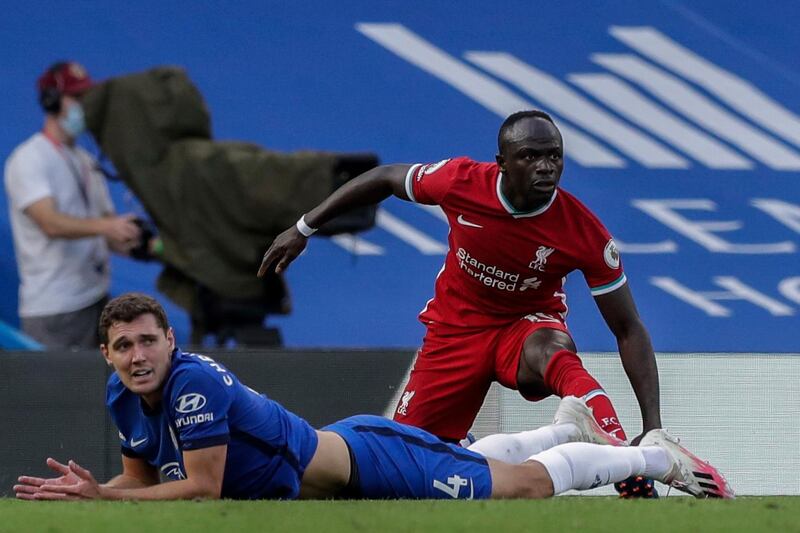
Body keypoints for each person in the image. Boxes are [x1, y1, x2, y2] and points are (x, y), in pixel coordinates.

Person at [258, 110, 661, 496]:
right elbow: (384, 177)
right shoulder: (460, 181)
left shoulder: (583, 231)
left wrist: (653, 425)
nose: (545, 166)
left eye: (554, 155)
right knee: (402, 469)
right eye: (530, 156)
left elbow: (628, 328)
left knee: (552, 351)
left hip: (524, 327)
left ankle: (627, 455)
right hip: (455, 331)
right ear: (502, 162)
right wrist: (304, 227)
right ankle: (480, 445)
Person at [13, 293, 732, 501]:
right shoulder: (121, 396)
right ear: (106, 354)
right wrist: (92, 494)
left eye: (148, 341)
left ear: (171, 340)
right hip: (341, 474)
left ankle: (652, 457)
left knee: (517, 490)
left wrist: (105, 503)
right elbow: (140, 483)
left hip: (364, 464)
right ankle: (563, 427)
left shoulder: (194, 381)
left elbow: (200, 489)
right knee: (472, 460)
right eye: (124, 347)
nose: (138, 357)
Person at [3, 61, 141, 349]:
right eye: (76, 98)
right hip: (55, 309)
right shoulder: (28, 159)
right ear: (51, 101)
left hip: (96, 299)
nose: (84, 106)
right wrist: (108, 226)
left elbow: (107, 229)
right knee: (57, 393)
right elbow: (49, 223)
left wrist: (141, 241)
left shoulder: (85, 160)